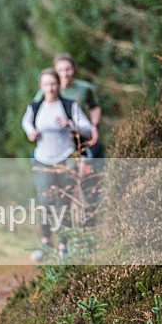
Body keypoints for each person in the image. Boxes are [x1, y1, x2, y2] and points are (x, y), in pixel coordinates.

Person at [23, 68, 93, 260]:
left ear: (58, 85)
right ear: (41, 86)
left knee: (63, 204)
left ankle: (64, 244)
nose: (50, 88)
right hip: (42, 160)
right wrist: (31, 132)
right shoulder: (36, 106)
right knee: (45, 202)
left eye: (53, 84)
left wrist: (70, 124)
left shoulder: (69, 106)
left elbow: (88, 130)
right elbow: (26, 122)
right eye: (46, 84)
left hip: (65, 159)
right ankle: (46, 242)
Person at [34, 53, 104, 226]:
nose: (65, 74)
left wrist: (94, 126)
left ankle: (88, 230)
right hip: (58, 145)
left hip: (82, 142)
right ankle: (62, 235)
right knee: (63, 192)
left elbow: (95, 107)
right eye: (60, 70)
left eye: (68, 69)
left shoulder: (85, 88)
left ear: (74, 69)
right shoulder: (49, 89)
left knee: (86, 188)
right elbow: (35, 111)